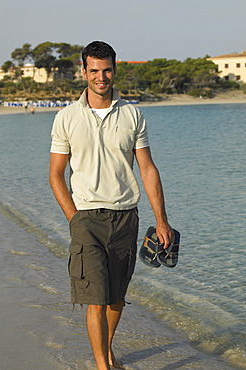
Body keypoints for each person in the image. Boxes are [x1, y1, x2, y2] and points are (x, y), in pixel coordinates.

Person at [49, 41, 174, 370]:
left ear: (114, 70)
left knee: (116, 296)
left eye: (106, 70)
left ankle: (106, 351)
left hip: (125, 218)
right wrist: (74, 219)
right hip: (86, 218)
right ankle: (103, 365)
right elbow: (56, 175)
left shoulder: (132, 115)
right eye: (94, 70)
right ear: (83, 72)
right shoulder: (66, 118)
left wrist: (162, 220)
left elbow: (147, 169)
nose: (101, 77)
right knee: (96, 297)